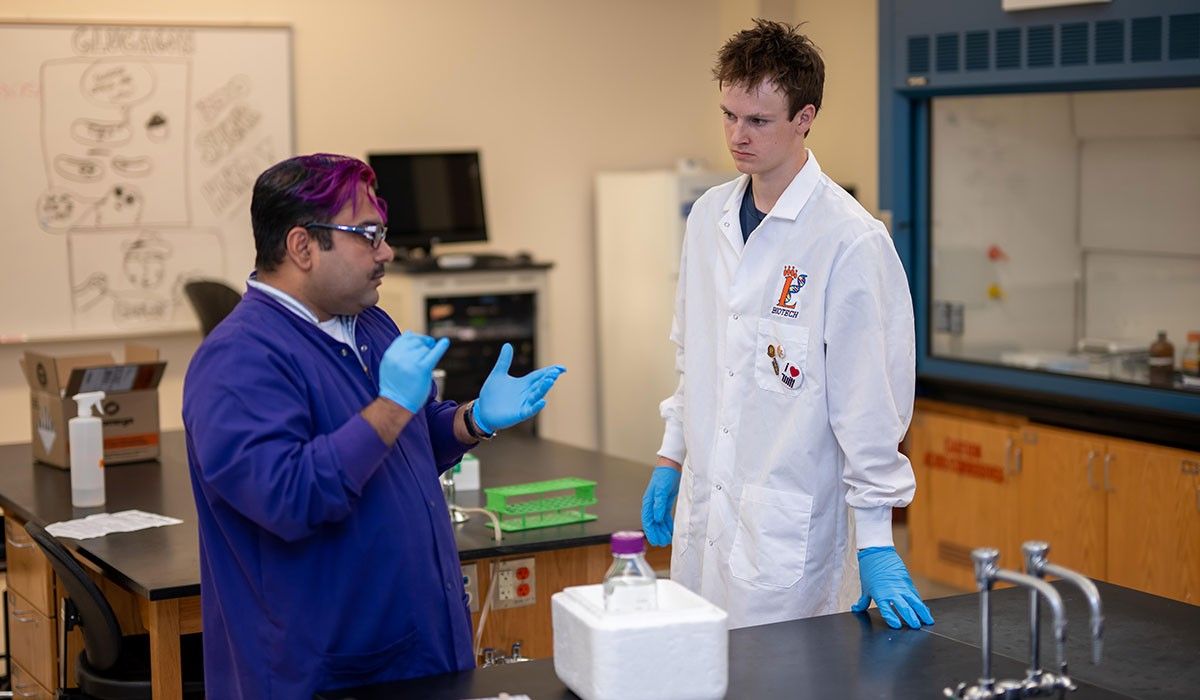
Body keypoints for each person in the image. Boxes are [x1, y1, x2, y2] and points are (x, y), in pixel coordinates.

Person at [183, 153, 566, 698]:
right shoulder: (239, 360)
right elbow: (290, 499)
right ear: (302, 246)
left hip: (418, 652)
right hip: (324, 671)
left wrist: (470, 419)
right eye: (367, 234)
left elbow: (406, 440)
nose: (386, 251)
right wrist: (388, 406)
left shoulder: (366, 323)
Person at [639, 19, 934, 631]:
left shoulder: (850, 240)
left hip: (788, 533)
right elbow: (696, 356)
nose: (737, 137)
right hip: (709, 515)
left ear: (805, 117)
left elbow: (870, 402)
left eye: (758, 121)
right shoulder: (708, 217)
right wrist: (671, 457)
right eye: (728, 115)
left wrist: (876, 537)